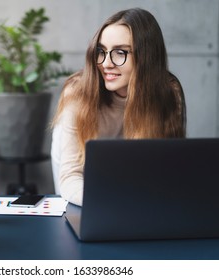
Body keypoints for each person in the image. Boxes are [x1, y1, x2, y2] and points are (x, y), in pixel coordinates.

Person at [50, 8, 187, 206]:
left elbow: (168, 166)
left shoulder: (168, 91)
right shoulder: (78, 92)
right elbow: (70, 177)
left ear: (146, 56)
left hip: (132, 188)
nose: (106, 63)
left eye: (120, 52)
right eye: (101, 51)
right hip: (84, 187)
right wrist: (113, 201)